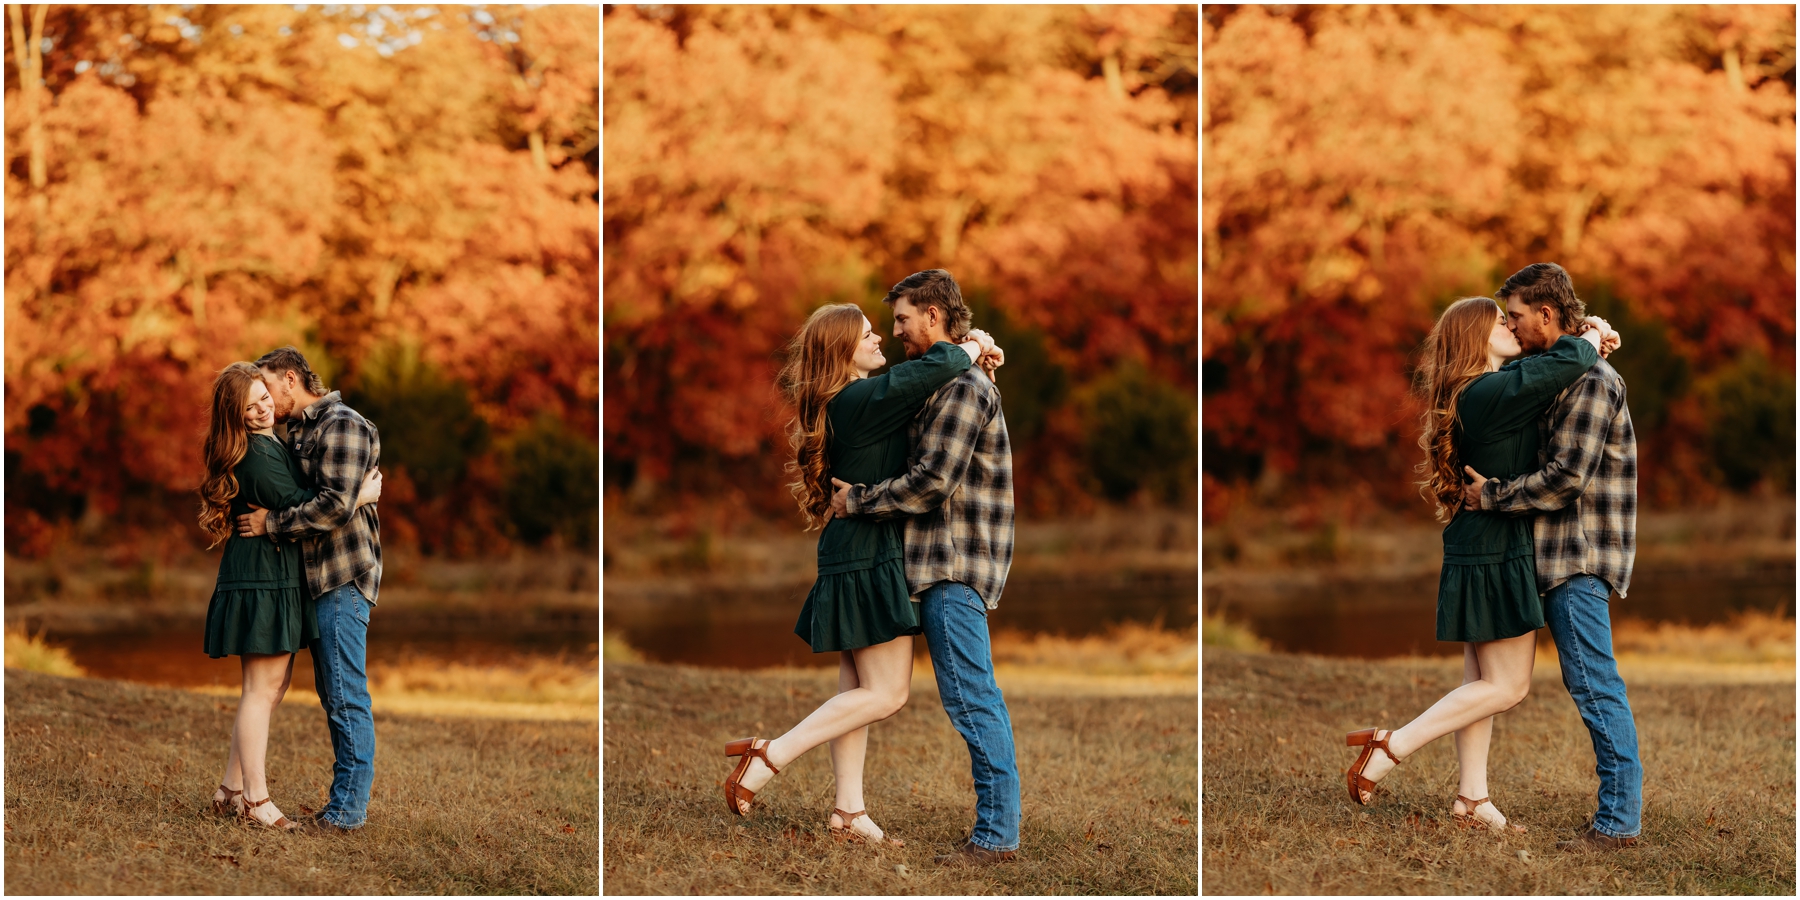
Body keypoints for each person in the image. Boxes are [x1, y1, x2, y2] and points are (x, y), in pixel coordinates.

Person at [721, 302, 999, 847]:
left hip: (854, 547)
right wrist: (973, 344)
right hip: (870, 551)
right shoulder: (857, 398)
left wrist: (979, 352)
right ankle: (767, 756)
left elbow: (927, 381)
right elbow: (927, 372)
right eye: (868, 335)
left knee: (856, 688)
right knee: (888, 693)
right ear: (841, 350)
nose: (880, 341)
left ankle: (848, 812)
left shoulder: (851, 400)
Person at [1343, 295, 1618, 835]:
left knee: (1480, 680)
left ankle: (1472, 800)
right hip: (1496, 545)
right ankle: (1389, 746)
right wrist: (1590, 338)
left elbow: (1547, 368)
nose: (1511, 326)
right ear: (1475, 337)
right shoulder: (1487, 391)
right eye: (1500, 321)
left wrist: (1588, 337)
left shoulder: (1488, 388)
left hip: (1482, 542)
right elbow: (1559, 366)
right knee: (1509, 687)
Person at [827, 269, 1021, 867]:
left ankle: (996, 838)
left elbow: (933, 484)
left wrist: (854, 499)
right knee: (968, 696)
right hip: (935, 564)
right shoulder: (947, 380)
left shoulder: (962, 387)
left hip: (955, 564)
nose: (897, 332)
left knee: (971, 698)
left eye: (903, 319)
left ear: (933, 316)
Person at [1460, 262, 1644, 852]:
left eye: (1515, 315)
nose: (1510, 325)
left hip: (1580, 555)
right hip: (1556, 554)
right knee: (1588, 681)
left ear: (1546, 315)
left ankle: (1618, 825)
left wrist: (1489, 494)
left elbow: (1565, 480)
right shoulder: (1560, 371)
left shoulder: (1592, 382)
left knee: (1594, 684)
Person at [200, 362, 381, 831]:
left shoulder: (285, 437)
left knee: (271, 690)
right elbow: (307, 500)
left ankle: (230, 790)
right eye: (250, 405)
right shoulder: (258, 452)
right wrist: (356, 498)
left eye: (264, 398)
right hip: (264, 577)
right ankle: (256, 801)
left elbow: (313, 500)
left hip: (283, 574)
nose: (263, 409)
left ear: (283, 382)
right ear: (234, 415)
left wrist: (342, 500)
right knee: (263, 692)